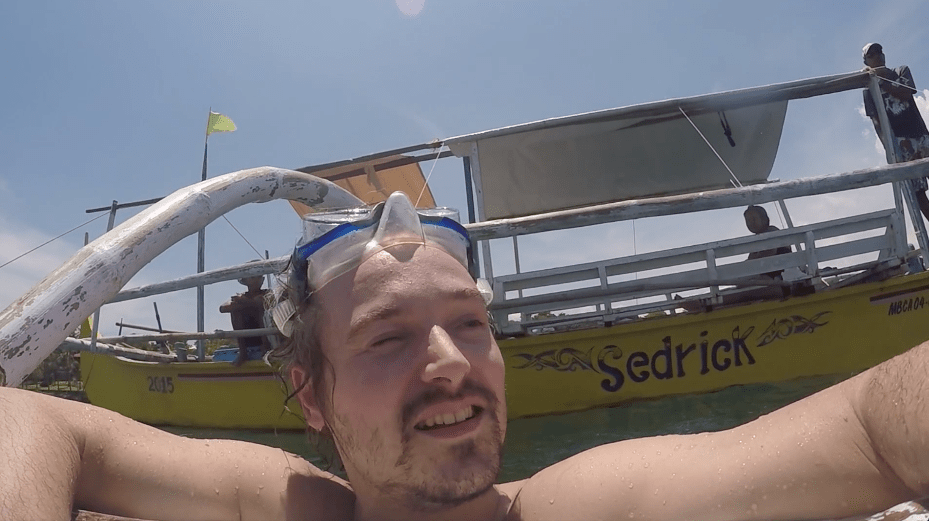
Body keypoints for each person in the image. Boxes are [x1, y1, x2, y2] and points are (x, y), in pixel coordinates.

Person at [5, 191, 929, 521]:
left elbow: (871, 419)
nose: (453, 360)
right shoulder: (283, 505)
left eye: (471, 322)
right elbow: (30, 416)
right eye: (388, 337)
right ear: (310, 397)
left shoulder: (575, 505)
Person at [861, 42, 929, 221]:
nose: (878, 55)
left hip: (921, 137)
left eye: (880, 51)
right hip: (901, 146)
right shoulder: (868, 91)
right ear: (866, 61)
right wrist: (891, 153)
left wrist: (882, 79)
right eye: (872, 54)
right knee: (919, 194)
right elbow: (877, 124)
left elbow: (908, 92)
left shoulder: (900, 71)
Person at [219, 274, 270, 366]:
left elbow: (263, 303)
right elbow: (223, 308)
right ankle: (243, 352)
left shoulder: (267, 293)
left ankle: (265, 349)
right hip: (247, 340)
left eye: (259, 277)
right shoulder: (240, 296)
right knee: (236, 311)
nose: (256, 280)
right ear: (245, 280)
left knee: (261, 309)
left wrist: (246, 302)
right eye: (253, 277)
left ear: (262, 280)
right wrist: (249, 303)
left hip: (268, 339)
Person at [743, 204, 791, 279]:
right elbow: (752, 258)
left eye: (754, 219)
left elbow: (768, 253)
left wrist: (749, 264)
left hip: (778, 273)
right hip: (767, 272)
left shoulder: (771, 231)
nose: (751, 223)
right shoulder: (757, 238)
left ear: (764, 219)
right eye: (748, 220)